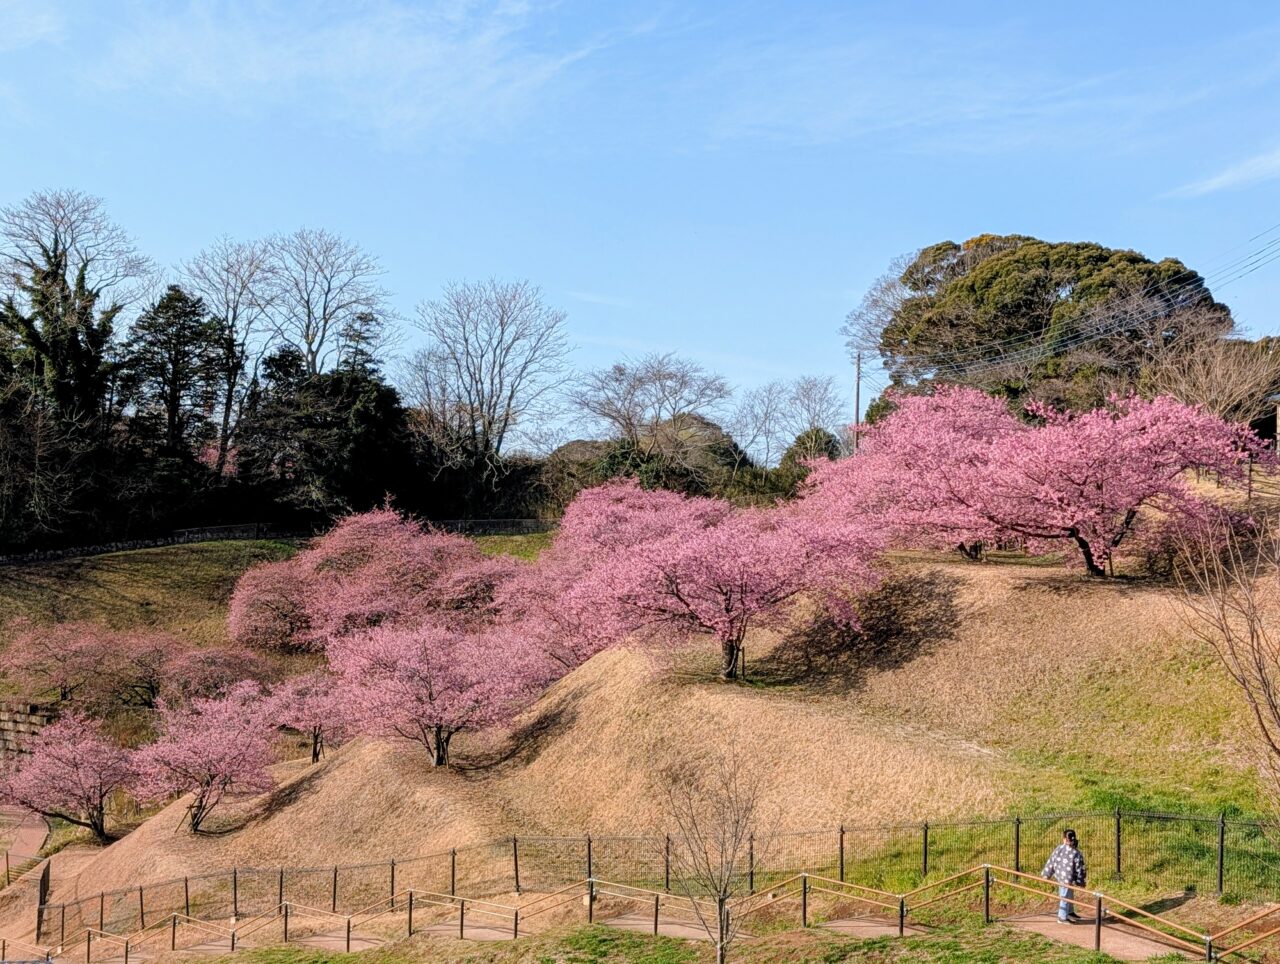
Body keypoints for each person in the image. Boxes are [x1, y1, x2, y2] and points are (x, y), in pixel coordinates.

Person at [1041, 828, 1087, 923]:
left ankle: (1069, 912)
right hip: (1068, 878)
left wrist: (1046, 874)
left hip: (1060, 877)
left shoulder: (1059, 848)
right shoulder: (1076, 852)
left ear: (1064, 839)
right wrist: (1080, 881)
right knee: (1065, 896)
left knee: (1068, 894)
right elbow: (1080, 868)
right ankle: (1062, 917)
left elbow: (1051, 861)